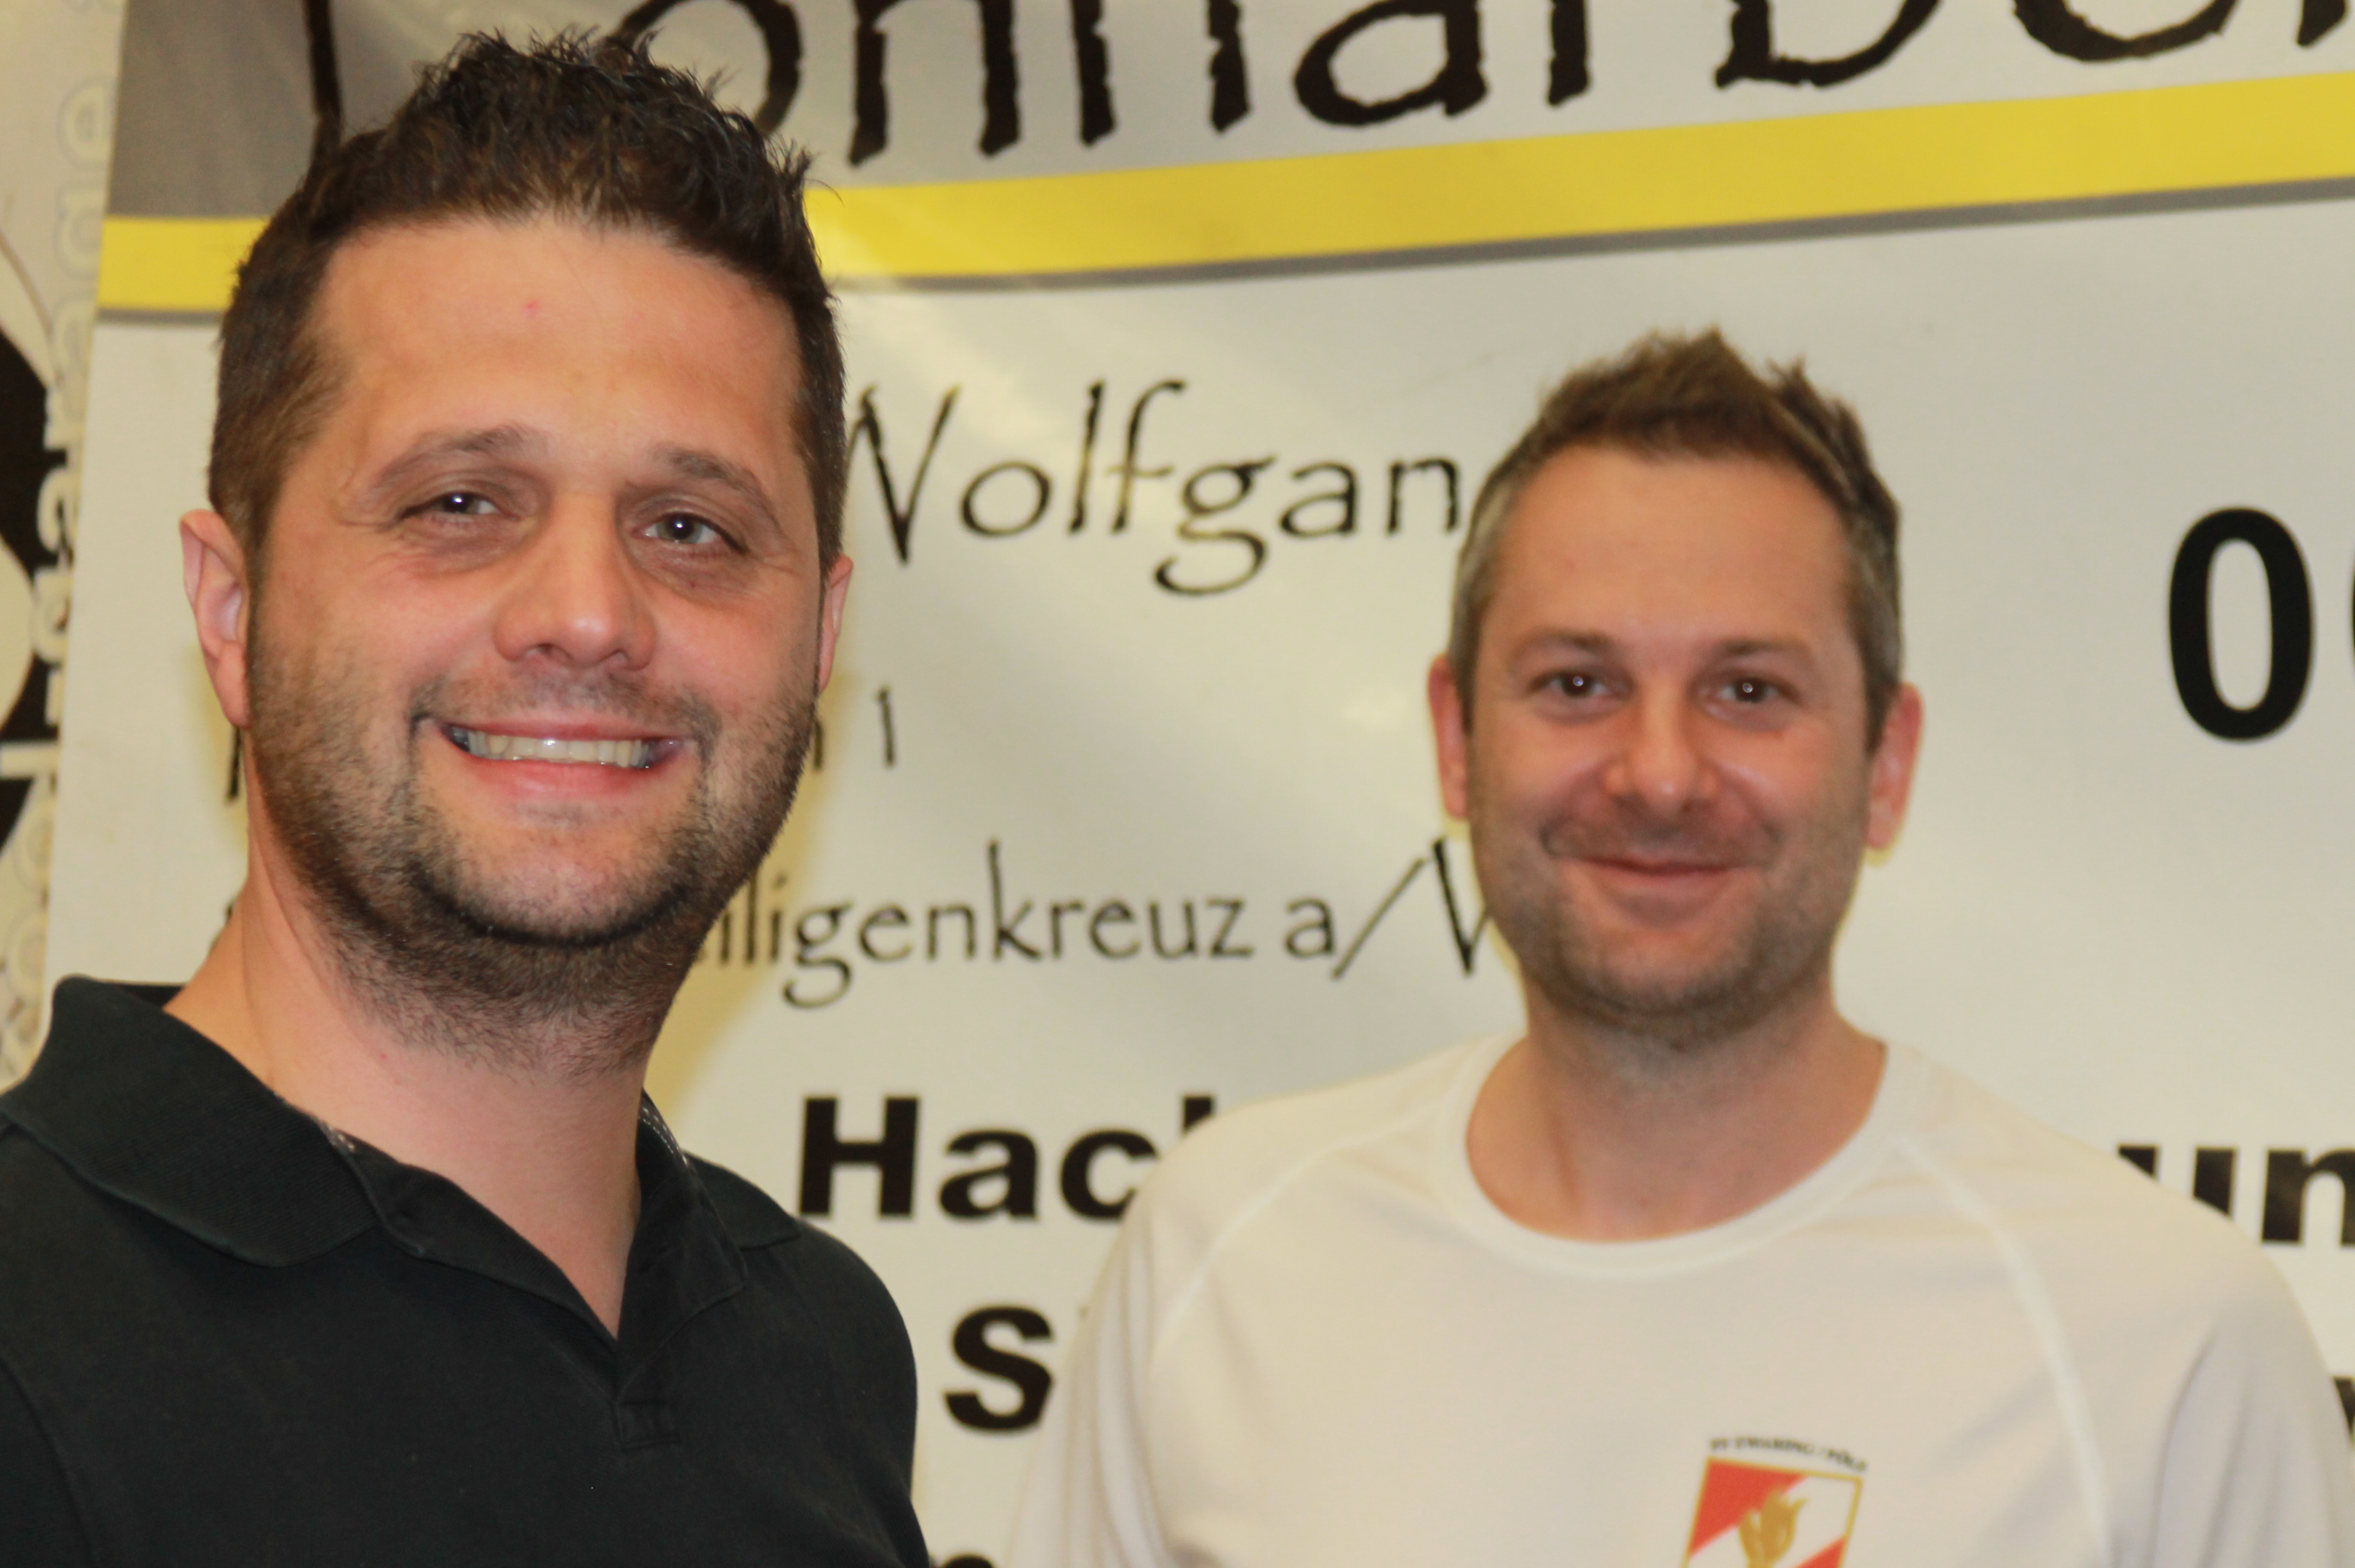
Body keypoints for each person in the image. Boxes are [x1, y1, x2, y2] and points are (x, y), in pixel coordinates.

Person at [1009, 331, 2355, 1566]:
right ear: (1457, 739)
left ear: (1886, 763)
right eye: (1578, 684)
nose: (1658, 773)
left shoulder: (2162, 1341)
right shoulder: (1221, 1254)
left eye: (1748, 690)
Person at [0, 34, 927, 1567]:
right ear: (231, 610)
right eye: (458, 502)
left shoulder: (820, 1353)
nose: (588, 614)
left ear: (820, 637)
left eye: (689, 526)